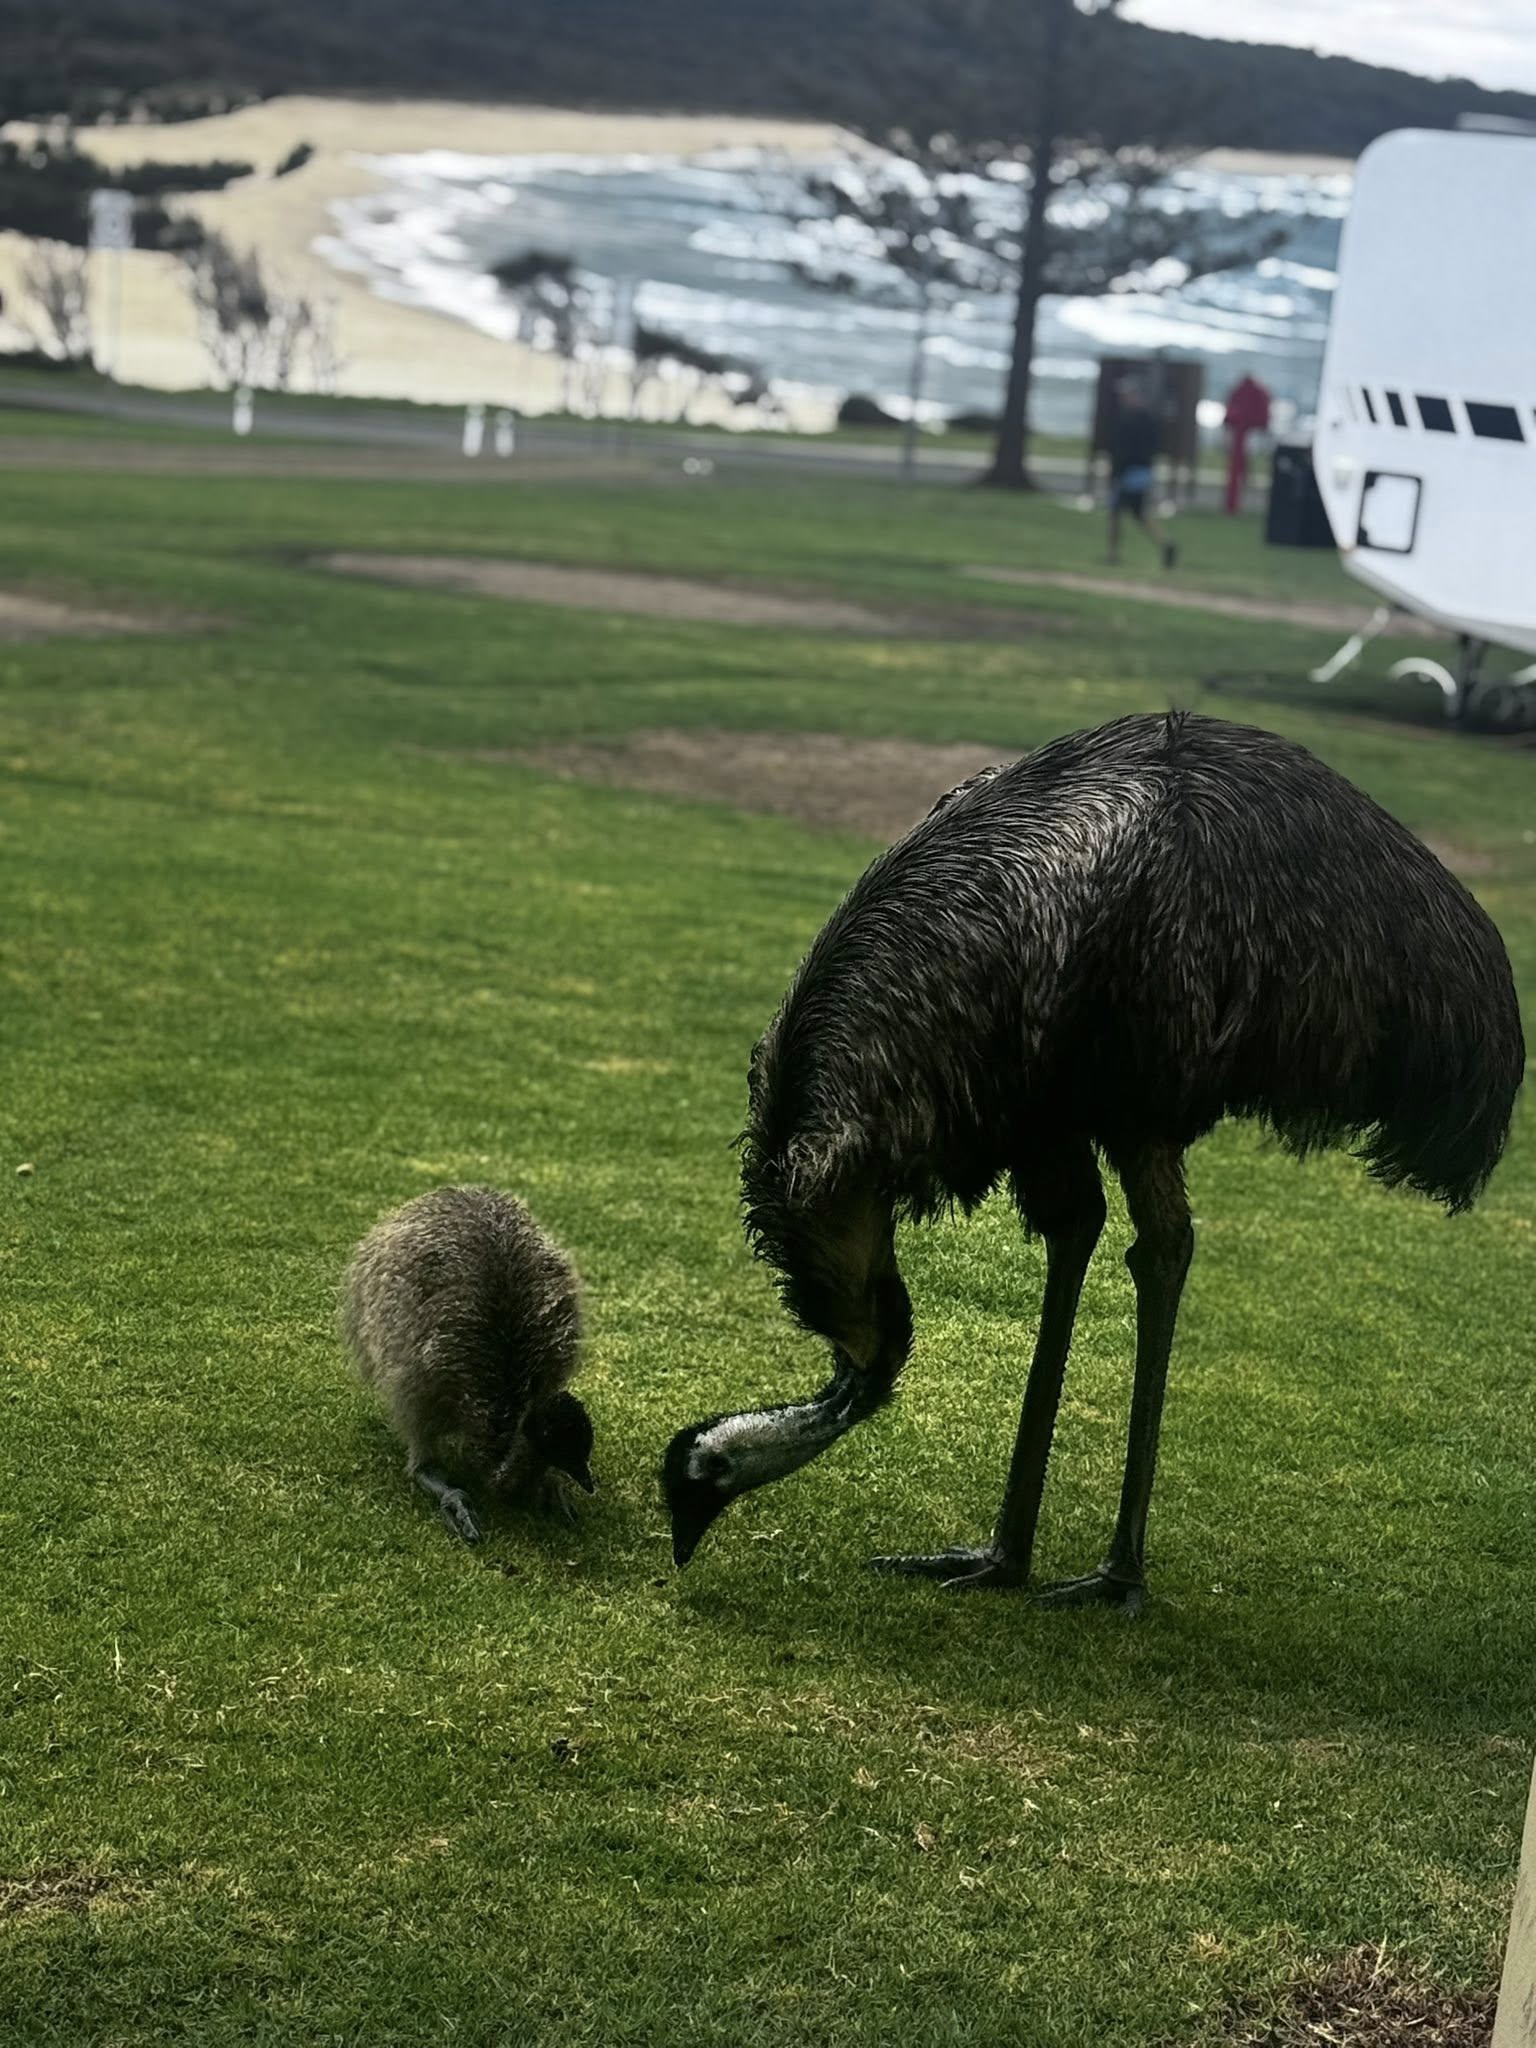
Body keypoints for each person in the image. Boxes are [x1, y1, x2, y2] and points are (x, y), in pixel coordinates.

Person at [1107, 383, 1176, 569]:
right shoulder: (1143, 419)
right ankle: (1165, 543)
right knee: (1137, 514)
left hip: (1133, 472)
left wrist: (1119, 471)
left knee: (1118, 512)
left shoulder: (1137, 420)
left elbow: (1127, 450)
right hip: (1139, 472)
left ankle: (1114, 553)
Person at [1223, 372, 1272, 515]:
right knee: (1240, 471)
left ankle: (1232, 504)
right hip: (1247, 434)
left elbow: (1231, 413)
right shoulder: (1258, 392)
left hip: (1242, 434)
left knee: (1236, 471)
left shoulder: (1241, 391)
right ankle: (1234, 504)